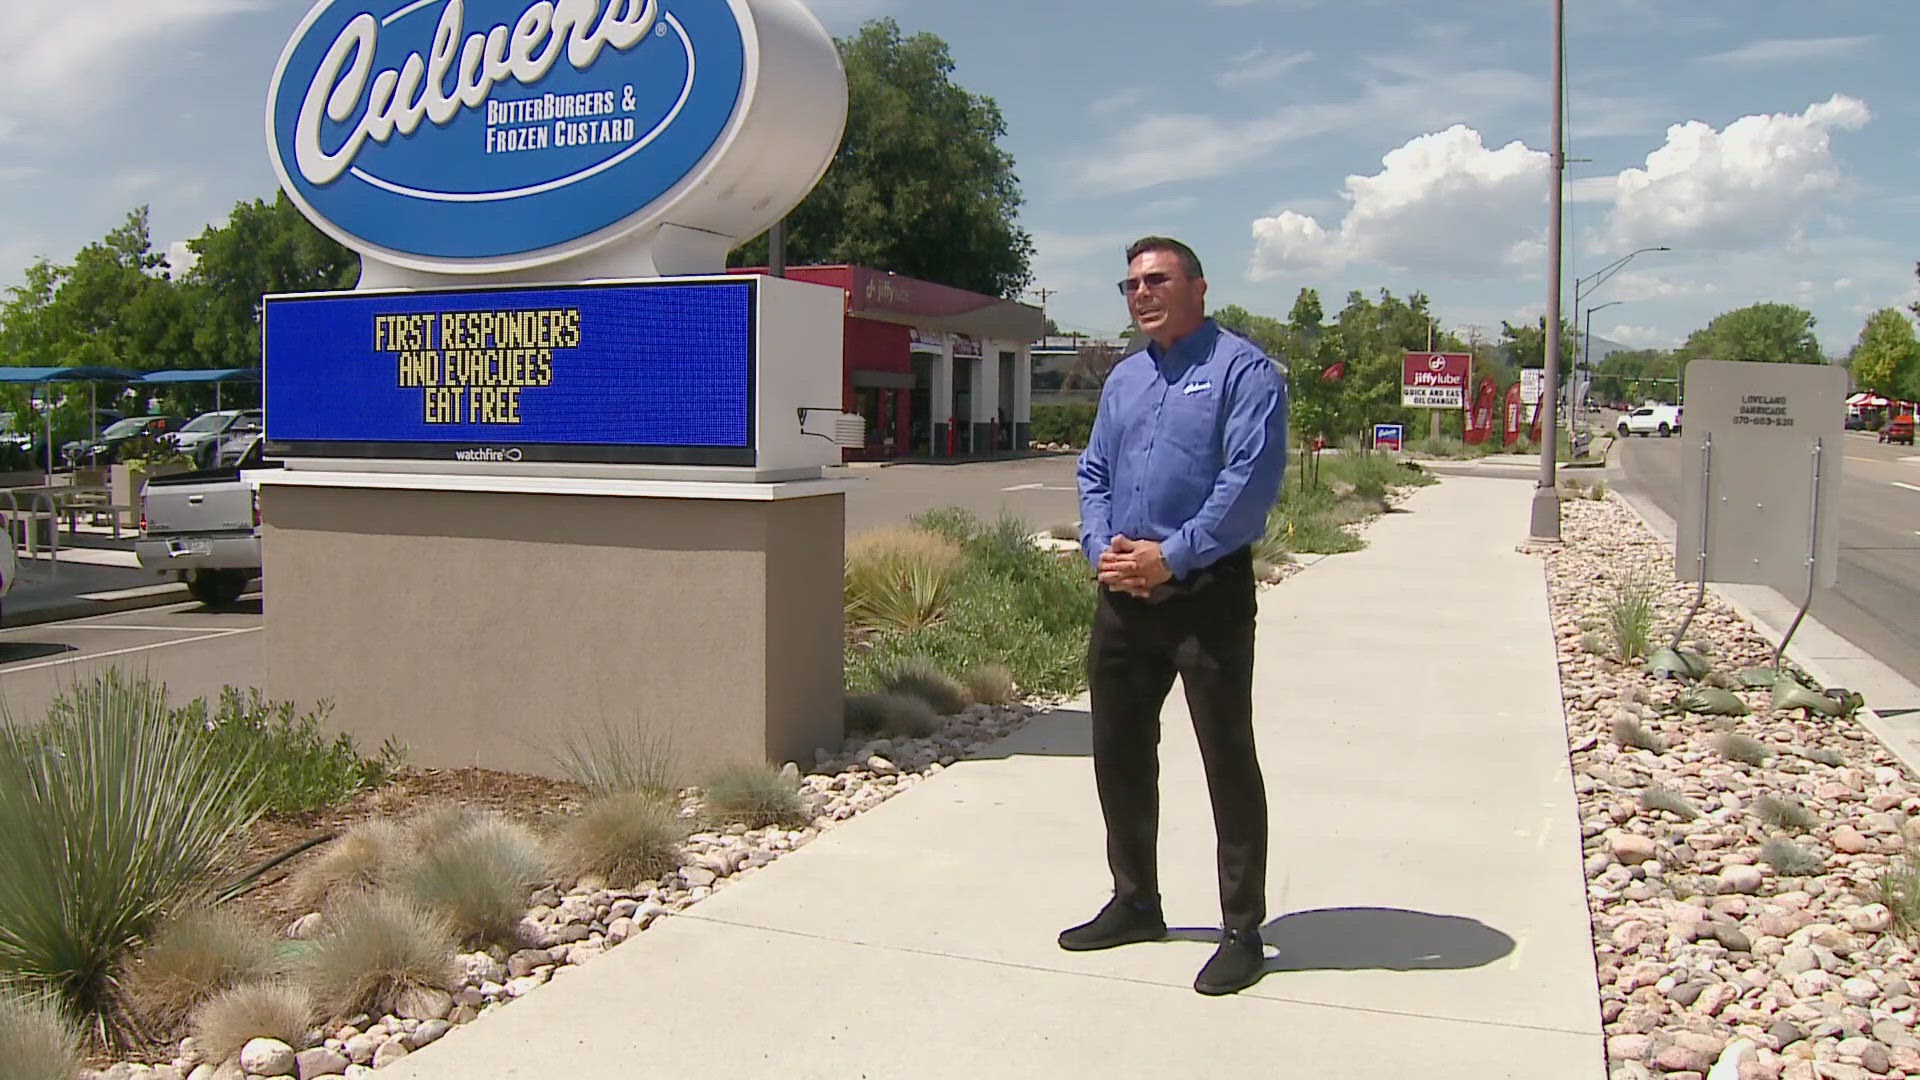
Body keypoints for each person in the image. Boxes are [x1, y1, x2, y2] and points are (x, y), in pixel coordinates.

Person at [1061, 236, 1288, 997]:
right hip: (1123, 593)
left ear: (1197, 285)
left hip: (1206, 596)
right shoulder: (1124, 378)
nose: (1140, 293)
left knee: (1226, 757)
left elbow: (1247, 484)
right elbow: (1094, 469)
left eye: (1156, 279)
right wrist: (1103, 547)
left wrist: (1173, 555)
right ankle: (1135, 901)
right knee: (1119, 751)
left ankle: (1242, 930)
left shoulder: (1244, 372)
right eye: (1129, 284)